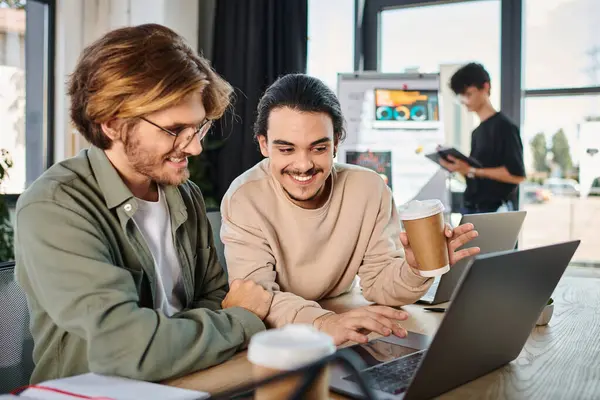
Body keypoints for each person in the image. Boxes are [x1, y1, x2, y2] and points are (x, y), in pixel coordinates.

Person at [14, 24, 272, 384]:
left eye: (197, 128)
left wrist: (167, 339)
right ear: (113, 124)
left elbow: (213, 296)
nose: (194, 147)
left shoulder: (184, 194)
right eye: (174, 129)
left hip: (190, 381)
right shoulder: (55, 208)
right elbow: (128, 350)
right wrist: (240, 319)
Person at [220, 74, 480, 346]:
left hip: (345, 319)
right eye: (286, 149)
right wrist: (322, 322)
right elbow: (256, 298)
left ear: (336, 142)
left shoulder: (369, 189)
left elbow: (380, 285)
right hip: (286, 339)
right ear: (264, 144)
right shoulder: (244, 198)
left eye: (319, 148)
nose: (303, 164)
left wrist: (416, 269)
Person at [441, 62, 526, 214]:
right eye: (462, 96)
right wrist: (460, 168)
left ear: (485, 88)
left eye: (469, 94)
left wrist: (472, 170)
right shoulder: (477, 132)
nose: (465, 101)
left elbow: (517, 175)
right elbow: (476, 177)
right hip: (471, 208)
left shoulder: (505, 127)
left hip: (494, 211)